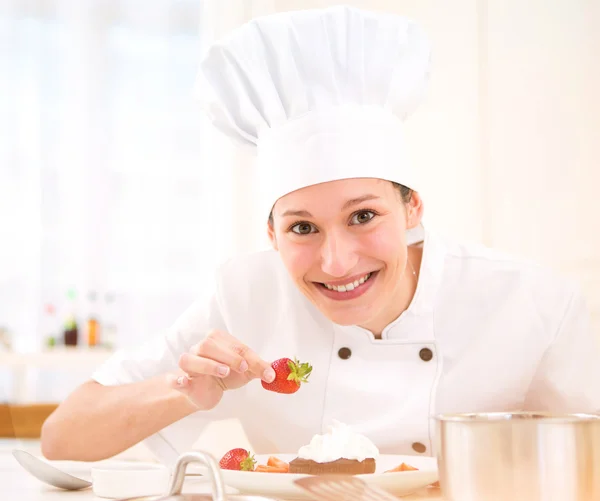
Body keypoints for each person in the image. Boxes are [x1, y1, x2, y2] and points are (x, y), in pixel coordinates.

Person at [41, 5, 600, 466]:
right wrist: (186, 392)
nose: (336, 262)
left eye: (363, 216)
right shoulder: (245, 298)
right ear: (271, 234)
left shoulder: (528, 302)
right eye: (302, 227)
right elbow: (63, 438)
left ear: (412, 210)